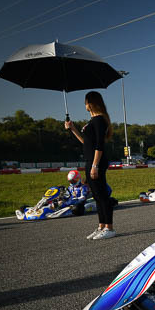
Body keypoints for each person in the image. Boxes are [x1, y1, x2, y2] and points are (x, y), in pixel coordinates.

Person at [65, 91, 115, 239]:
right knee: (97, 196)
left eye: (86, 102)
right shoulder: (92, 121)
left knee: (102, 196)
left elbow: (99, 145)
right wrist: (73, 129)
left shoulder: (99, 120)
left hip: (96, 162)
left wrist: (95, 165)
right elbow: (86, 142)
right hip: (90, 161)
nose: (85, 105)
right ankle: (101, 226)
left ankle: (109, 228)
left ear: (91, 103)